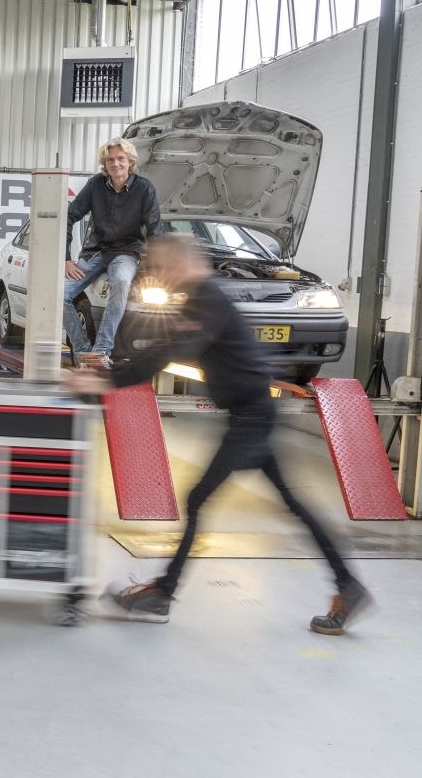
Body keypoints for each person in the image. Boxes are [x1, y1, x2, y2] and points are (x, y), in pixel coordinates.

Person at [65, 234, 369, 635]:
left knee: (199, 499)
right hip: (249, 414)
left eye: (163, 267)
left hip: (251, 418)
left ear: (181, 265)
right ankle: (348, 586)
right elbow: (164, 349)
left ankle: (163, 593)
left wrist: (103, 381)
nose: (159, 274)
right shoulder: (199, 298)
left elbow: (170, 351)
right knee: (292, 503)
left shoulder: (206, 298)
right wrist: (107, 375)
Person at [64, 137, 163, 367]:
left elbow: (155, 230)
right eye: (110, 160)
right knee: (59, 294)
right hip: (95, 253)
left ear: (130, 161)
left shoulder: (144, 188)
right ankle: (82, 350)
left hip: (126, 252)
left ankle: (101, 351)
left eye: (120, 159)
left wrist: (153, 270)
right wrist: (66, 259)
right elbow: (68, 216)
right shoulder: (95, 185)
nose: (115, 163)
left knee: (121, 282)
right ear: (105, 163)